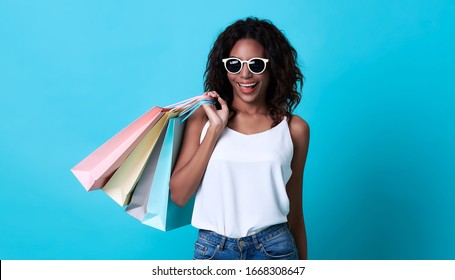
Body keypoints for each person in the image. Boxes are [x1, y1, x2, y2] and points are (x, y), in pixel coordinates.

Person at [169, 17, 309, 260]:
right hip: (214, 249)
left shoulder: (294, 129)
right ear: (224, 68)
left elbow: (295, 210)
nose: (244, 74)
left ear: (272, 67)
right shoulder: (203, 120)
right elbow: (179, 195)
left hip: (275, 248)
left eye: (256, 64)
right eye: (234, 64)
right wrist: (215, 130)